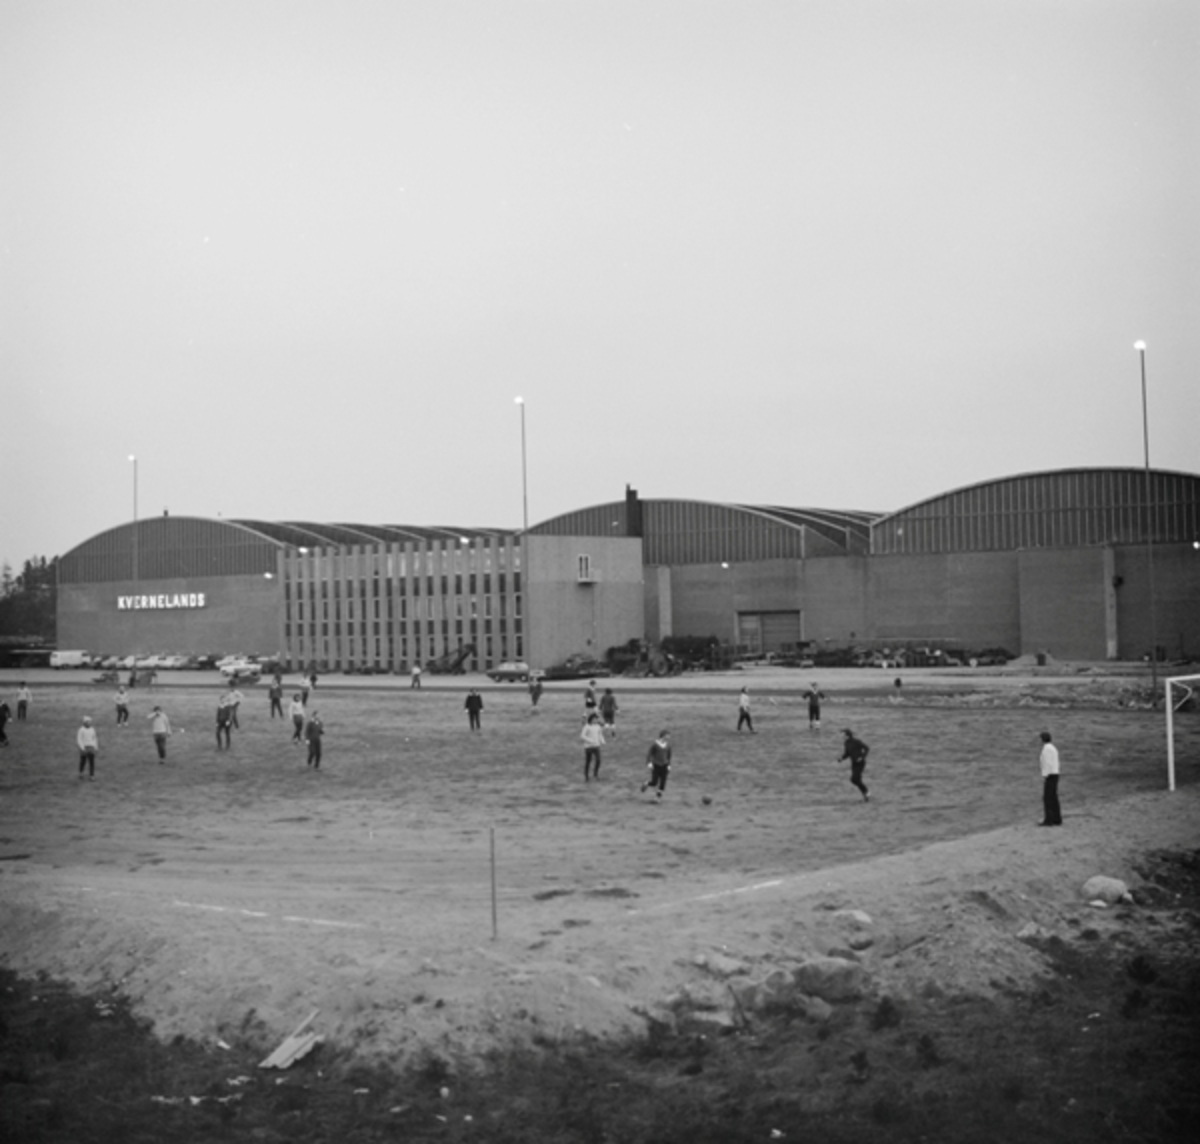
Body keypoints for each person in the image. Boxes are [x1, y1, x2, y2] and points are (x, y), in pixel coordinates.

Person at [838, 729, 870, 801]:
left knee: (854, 779)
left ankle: (866, 792)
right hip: (854, 763)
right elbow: (847, 753)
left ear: (847, 735)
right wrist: (841, 758)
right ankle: (865, 794)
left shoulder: (856, 741)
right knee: (854, 780)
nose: (841, 736)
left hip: (860, 763)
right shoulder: (846, 743)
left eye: (842, 734)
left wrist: (862, 757)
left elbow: (866, 748)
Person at [1038, 730, 1062, 826]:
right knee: (1053, 797)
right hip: (1055, 773)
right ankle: (1056, 818)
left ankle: (1049, 819)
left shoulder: (1046, 749)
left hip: (1050, 774)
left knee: (1048, 798)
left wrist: (1045, 775)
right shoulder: (1053, 748)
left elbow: (1047, 763)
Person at [641, 730, 673, 801]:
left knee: (663, 782)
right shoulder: (655, 744)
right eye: (668, 735)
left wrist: (669, 765)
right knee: (654, 782)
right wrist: (649, 763)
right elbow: (649, 754)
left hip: (664, 766)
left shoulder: (668, 745)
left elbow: (669, 756)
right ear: (663, 735)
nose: (669, 737)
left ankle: (657, 797)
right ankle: (646, 783)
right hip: (656, 765)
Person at [581, 713, 605, 781]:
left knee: (598, 760)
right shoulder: (587, 726)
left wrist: (602, 741)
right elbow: (582, 736)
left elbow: (600, 734)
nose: (596, 720)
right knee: (588, 761)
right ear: (591, 719)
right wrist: (590, 740)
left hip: (596, 746)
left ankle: (595, 774)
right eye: (595, 719)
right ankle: (586, 776)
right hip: (588, 747)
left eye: (597, 719)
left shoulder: (598, 726)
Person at [77, 716, 98, 780]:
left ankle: (92, 776)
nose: (90, 723)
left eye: (90, 722)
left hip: (91, 747)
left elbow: (94, 738)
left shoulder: (92, 729)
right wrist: (82, 748)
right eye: (88, 722)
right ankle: (81, 773)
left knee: (92, 762)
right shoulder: (81, 730)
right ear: (85, 722)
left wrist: (96, 747)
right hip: (84, 747)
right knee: (83, 761)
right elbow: (79, 739)